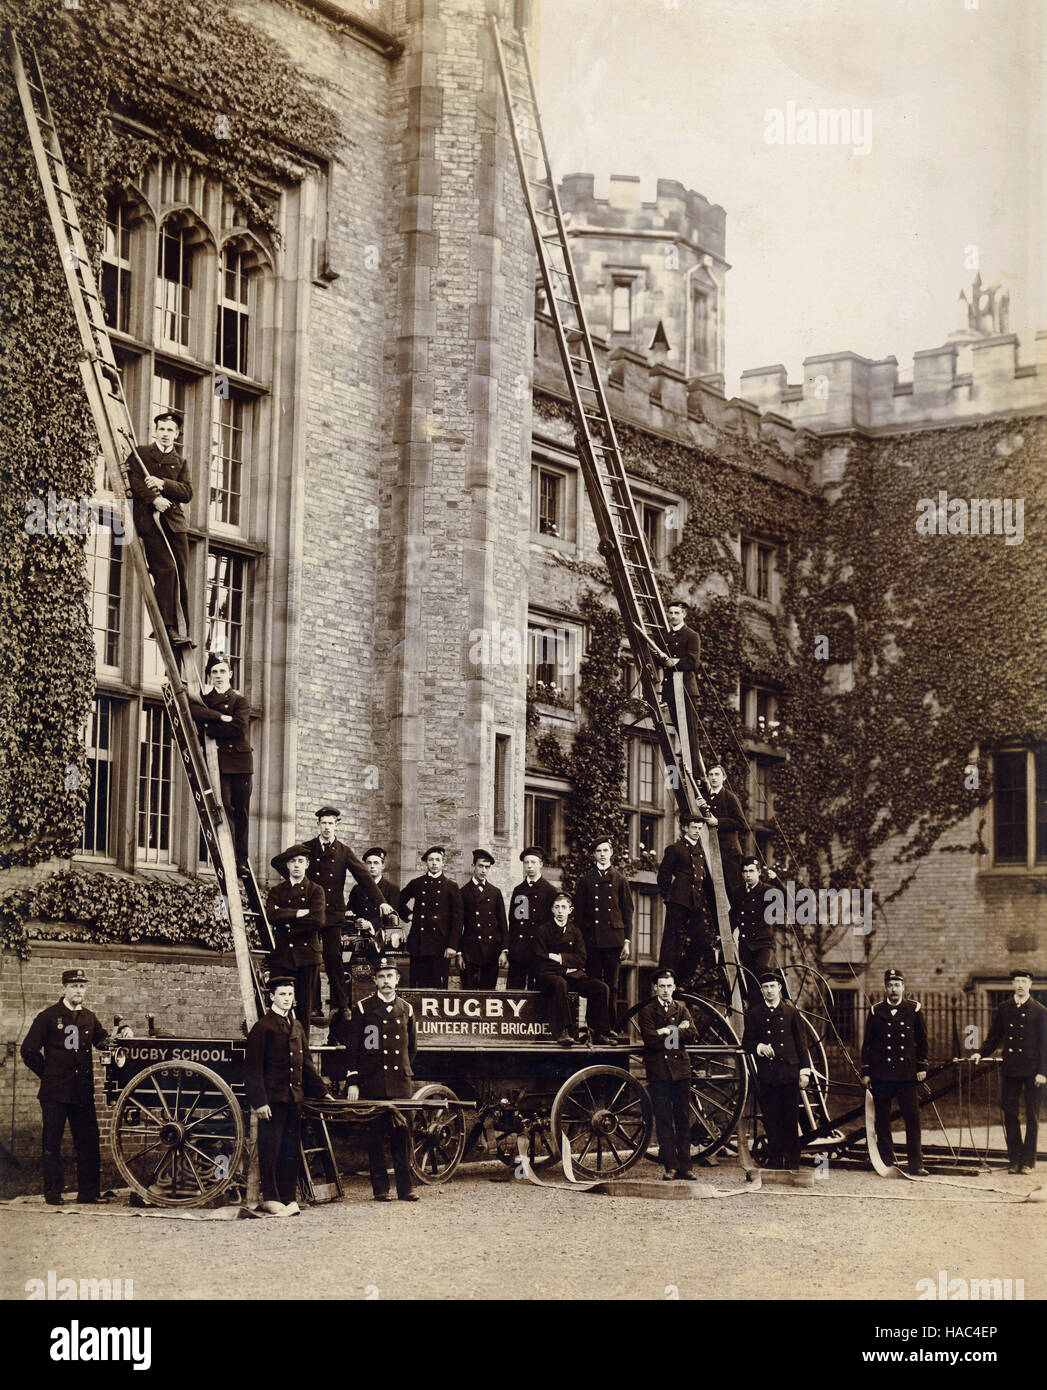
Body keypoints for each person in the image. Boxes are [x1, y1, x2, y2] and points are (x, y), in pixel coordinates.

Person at [20, 969, 129, 1205]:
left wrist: (121, 1034)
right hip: (55, 1093)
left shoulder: (89, 1017)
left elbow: (103, 1042)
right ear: (64, 989)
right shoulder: (48, 1016)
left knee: (88, 1142)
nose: (78, 990)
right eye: (73, 986)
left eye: (82, 986)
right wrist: (48, 1074)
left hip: (81, 1092)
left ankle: (88, 1193)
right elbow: (28, 1050)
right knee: (52, 1143)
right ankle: (53, 1193)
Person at [272, 808, 383, 1017]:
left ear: (336, 825)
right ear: (318, 825)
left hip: (333, 913)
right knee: (312, 958)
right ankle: (314, 1007)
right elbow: (277, 861)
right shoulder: (307, 849)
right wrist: (298, 884)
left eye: (331, 823)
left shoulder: (343, 851)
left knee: (333, 956)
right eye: (323, 823)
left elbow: (364, 878)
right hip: (311, 912)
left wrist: (382, 902)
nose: (326, 827)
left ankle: (342, 1004)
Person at [245, 975, 328, 1215]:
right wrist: (259, 1102)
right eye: (282, 994)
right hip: (273, 1101)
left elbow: (307, 1065)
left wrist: (322, 1092)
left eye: (290, 994)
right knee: (271, 1148)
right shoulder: (263, 1028)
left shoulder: (297, 1026)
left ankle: (289, 1196)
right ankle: (271, 1196)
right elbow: (252, 1070)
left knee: (291, 1149)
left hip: (294, 1099)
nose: (287, 999)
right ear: (271, 997)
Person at [345, 959, 420, 1202]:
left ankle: (406, 1188)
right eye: (381, 977)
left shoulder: (407, 1009)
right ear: (375, 980)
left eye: (390, 976)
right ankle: (380, 1189)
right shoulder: (363, 1008)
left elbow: (412, 1048)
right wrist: (353, 1080)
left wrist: (404, 1073)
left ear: (397, 979)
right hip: (373, 1082)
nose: (386, 981)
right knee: (375, 1137)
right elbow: (353, 1048)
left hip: (399, 1083)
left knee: (403, 1136)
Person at [970, 969, 1047, 1174]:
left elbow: (1044, 1045)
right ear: (1012, 985)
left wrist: (1043, 1072)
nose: (1020, 985)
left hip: (1033, 1072)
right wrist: (981, 1053)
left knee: (1032, 1115)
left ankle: (1028, 1161)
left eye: (1024, 981)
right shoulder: (1004, 1008)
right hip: (1011, 1069)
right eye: (1017, 981)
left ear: (1030, 984)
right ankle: (1014, 1160)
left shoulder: (1039, 1010)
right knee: (1010, 1114)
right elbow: (994, 1036)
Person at [127, 411, 193, 648]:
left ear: (177, 435)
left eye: (170, 431)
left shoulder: (181, 461)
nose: (165, 434)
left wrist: (163, 484)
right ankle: (166, 626)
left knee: (182, 573)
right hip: (150, 520)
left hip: (174, 521)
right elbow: (133, 482)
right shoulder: (141, 454)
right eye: (162, 429)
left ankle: (183, 628)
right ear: (155, 431)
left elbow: (187, 493)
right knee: (166, 568)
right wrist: (154, 499)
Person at [860, 968, 929, 1176]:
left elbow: (922, 1041)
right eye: (890, 985)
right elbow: (868, 1045)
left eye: (897, 985)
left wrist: (922, 1066)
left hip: (907, 1074)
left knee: (912, 1117)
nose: (893, 989)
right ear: (885, 988)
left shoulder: (914, 1010)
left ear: (903, 987)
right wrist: (866, 1071)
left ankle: (916, 1164)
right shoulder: (875, 1011)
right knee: (882, 1118)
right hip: (882, 1074)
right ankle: (886, 1161)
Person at [188, 654, 253, 872]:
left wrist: (208, 727)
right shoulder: (204, 700)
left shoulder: (240, 700)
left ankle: (241, 860)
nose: (218, 676)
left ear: (230, 675)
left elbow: (239, 727)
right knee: (224, 806)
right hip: (219, 763)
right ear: (209, 675)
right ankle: (228, 854)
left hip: (241, 762)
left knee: (241, 811)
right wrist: (219, 717)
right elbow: (192, 710)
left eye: (222, 671)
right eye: (214, 672)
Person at [741, 973, 812, 1171]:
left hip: (789, 1073)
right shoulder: (755, 1014)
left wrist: (804, 1072)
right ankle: (774, 1160)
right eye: (765, 987)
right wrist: (759, 1047)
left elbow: (802, 1045)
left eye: (773, 986)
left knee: (790, 1118)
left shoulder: (791, 1012)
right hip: (768, 1074)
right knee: (771, 1118)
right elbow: (746, 1043)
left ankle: (792, 1162)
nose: (769, 990)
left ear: (779, 988)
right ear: (762, 990)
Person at [532, 893, 614, 1047]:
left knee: (601, 988)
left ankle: (599, 1032)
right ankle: (563, 1031)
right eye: (557, 907)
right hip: (549, 977)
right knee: (560, 983)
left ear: (570, 910)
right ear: (552, 910)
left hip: (573, 976)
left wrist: (558, 957)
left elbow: (581, 958)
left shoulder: (575, 932)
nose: (560, 911)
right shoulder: (543, 931)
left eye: (564, 907)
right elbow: (541, 959)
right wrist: (567, 968)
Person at [637, 969, 696, 1181]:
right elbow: (650, 1040)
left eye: (669, 986)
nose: (665, 990)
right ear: (655, 988)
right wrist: (676, 1030)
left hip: (681, 1071)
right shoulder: (647, 1011)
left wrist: (666, 1031)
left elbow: (693, 1034)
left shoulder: (681, 1008)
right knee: (663, 1120)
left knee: (682, 1119)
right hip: (659, 1072)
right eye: (661, 986)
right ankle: (670, 1166)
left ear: (674, 987)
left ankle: (686, 1166)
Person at [573, 836, 632, 1026]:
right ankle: (593, 1027)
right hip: (592, 941)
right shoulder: (586, 880)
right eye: (598, 851)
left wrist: (627, 941)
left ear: (611, 853)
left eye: (605, 850)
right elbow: (579, 915)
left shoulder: (620, 880)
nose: (602, 855)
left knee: (612, 986)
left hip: (614, 940)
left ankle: (609, 1027)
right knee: (594, 984)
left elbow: (627, 912)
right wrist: (579, 944)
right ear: (594, 855)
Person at [265, 846, 325, 1026]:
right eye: (292, 862)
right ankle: (281, 1048)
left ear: (307, 864)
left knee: (304, 1008)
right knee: (280, 1006)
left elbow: (317, 920)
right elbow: (271, 915)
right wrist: (299, 913)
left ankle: (301, 1049)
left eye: (300, 861)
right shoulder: (277, 891)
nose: (296, 865)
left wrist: (285, 918)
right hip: (283, 956)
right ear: (287, 866)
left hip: (307, 957)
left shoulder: (316, 890)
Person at [657, 813, 713, 988]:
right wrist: (668, 897)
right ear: (685, 828)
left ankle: (683, 978)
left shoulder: (702, 852)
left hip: (695, 903)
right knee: (671, 939)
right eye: (694, 827)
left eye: (699, 828)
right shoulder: (675, 849)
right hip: (678, 901)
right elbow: (663, 876)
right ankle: (666, 977)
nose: (697, 831)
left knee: (702, 941)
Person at [400, 847, 463, 988]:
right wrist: (408, 915)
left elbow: (458, 919)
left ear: (443, 863)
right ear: (426, 863)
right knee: (417, 985)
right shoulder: (417, 883)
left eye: (437, 860)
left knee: (438, 987)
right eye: (431, 860)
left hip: (441, 945)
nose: (434, 863)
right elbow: (398, 900)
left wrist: (452, 945)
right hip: (419, 944)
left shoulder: (451, 886)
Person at [507, 846, 557, 989]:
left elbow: (552, 925)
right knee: (515, 992)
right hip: (519, 951)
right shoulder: (519, 890)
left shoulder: (550, 891)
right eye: (526, 862)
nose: (529, 866)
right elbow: (514, 921)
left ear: (540, 864)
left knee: (538, 992)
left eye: (533, 862)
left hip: (539, 951)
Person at [458, 849, 509, 989]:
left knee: (488, 993)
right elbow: (458, 925)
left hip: (491, 950)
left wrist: (504, 950)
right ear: (473, 865)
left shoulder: (495, 892)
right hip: (470, 950)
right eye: (481, 866)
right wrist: (459, 953)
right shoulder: (463, 892)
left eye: (487, 867)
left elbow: (503, 924)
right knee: (469, 993)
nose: (484, 870)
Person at [660, 600, 701, 764]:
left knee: (689, 732)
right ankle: (686, 764)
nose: (673, 616)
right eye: (671, 613)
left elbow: (693, 663)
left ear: (683, 615)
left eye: (677, 613)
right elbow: (659, 658)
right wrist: (663, 661)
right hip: (670, 689)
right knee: (678, 727)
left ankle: (694, 770)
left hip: (685, 689)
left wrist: (675, 662)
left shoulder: (691, 635)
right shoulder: (665, 637)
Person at [732, 856, 778, 998]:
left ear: (758, 872)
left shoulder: (766, 890)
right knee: (748, 978)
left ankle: (770, 1001)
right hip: (746, 943)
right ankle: (753, 1009)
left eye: (751, 871)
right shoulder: (738, 891)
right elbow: (733, 914)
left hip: (763, 943)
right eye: (745, 872)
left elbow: (788, 900)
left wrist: (776, 880)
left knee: (762, 971)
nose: (748, 875)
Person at [704, 764, 746, 903]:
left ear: (724, 777)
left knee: (733, 892)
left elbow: (741, 823)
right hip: (711, 852)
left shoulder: (730, 797)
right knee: (713, 895)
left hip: (729, 854)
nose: (714, 778)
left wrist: (718, 822)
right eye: (711, 775)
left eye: (717, 774)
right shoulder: (705, 799)